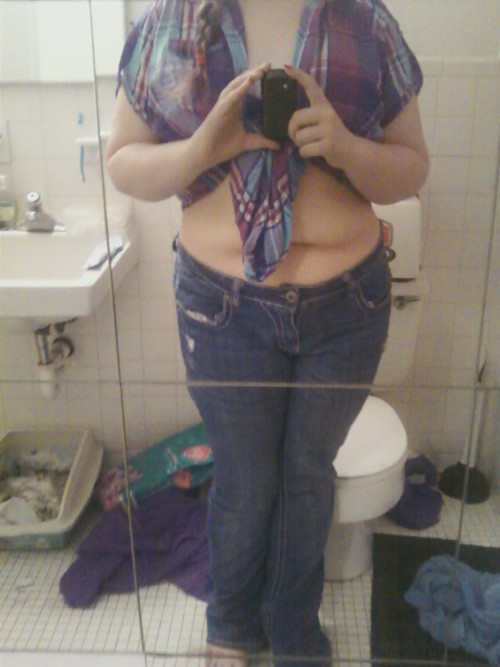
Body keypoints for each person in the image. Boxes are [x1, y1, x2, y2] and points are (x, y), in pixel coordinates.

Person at [106, 1, 429, 665]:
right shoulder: (169, 21)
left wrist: (345, 146)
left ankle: (293, 632)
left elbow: (411, 167)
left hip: (346, 306)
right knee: (244, 479)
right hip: (220, 306)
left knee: (308, 477)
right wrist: (203, 149)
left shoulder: (366, 21)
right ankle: (230, 627)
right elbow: (124, 163)